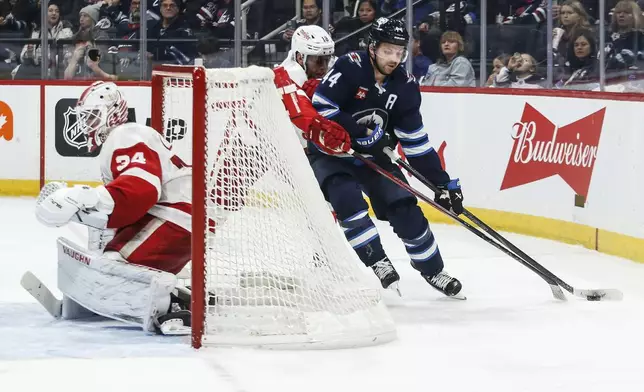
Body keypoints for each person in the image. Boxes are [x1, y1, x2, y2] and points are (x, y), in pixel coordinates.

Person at [310, 17, 464, 297]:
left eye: (399, 52)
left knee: (405, 207)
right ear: (372, 48)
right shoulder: (349, 66)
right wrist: (360, 132)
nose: (393, 58)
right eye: (387, 51)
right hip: (332, 154)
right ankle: (377, 260)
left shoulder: (405, 85)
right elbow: (320, 106)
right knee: (347, 201)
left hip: (373, 156)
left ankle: (433, 270)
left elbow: (415, 143)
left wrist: (441, 183)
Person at [35, 81, 193, 335]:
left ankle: (173, 306)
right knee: (107, 266)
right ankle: (173, 293)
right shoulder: (120, 140)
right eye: (85, 118)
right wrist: (80, 212)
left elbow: (141, 192)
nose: (87, 124)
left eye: (93, 116)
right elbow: (121, 211)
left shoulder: (126, 135)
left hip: (178, 217)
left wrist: (82, 197)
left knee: (113, 275)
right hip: (172, 216)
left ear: (112, 113)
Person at [273, 25, 351, 155]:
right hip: (287, 153)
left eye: (327, 60)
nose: (324, 67)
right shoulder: (285, 77)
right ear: (299, 58)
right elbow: (303, 115)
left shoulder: (331, 68)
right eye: (319, 61)